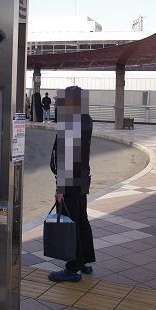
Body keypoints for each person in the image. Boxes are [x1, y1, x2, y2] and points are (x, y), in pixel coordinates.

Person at [48, 86, 95, 283]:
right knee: (82, 221)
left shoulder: (70, 123)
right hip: (83, 179)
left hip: (70, 181)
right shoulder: (86, 120)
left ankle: (72, 268)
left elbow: (66, 158)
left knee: (71, 224)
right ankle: (84, 261)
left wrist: (60, 189)